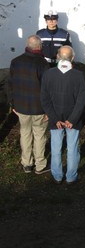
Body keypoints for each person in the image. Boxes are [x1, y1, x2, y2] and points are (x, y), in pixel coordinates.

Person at [41, 46, 85, 184]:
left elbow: (45, 99)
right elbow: (81, 100)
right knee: (72, 147)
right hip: (73, 117)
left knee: (56, 147)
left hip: (55, 117)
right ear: (72, 58)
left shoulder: (48, 74)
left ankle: (57, 175)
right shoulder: (79, 75)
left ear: (57, 57)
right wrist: (72, 119)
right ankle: (71, 176)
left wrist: (54, 119)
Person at [7, 34, 50, 174]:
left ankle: (27, 163)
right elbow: (47, 88)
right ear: (39, 47)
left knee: (25, 133)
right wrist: (49, 109)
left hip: (21, 106)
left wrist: (12, 104)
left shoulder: (15, 61)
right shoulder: (43, 63)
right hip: (39, 108)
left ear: (27, 45)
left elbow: (10, 85)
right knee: (39, 135)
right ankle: (40, 165)